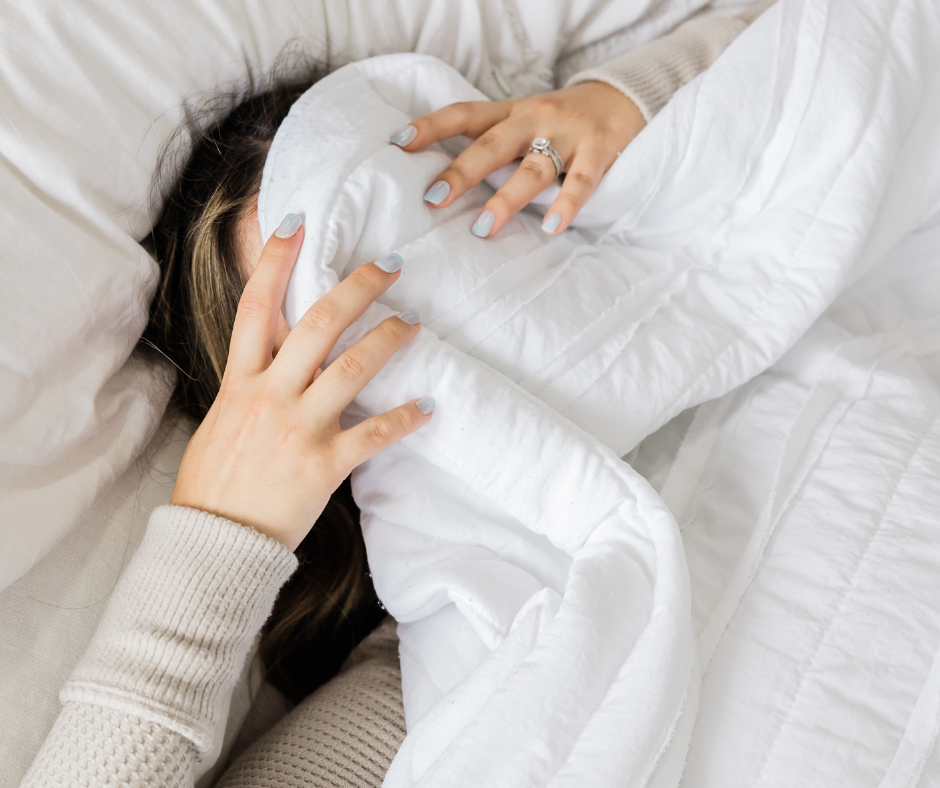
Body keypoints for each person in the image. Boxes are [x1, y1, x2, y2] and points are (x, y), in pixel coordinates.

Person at [22, 4, 772, 786]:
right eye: (340, 330)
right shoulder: (428, 691)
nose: (443, 317)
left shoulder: (712, 279)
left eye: (439, 218)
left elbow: (862, 53)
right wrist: (223, 533)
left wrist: (629, 102)